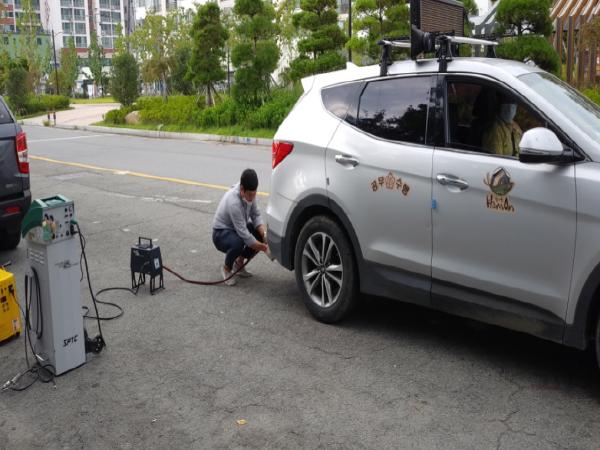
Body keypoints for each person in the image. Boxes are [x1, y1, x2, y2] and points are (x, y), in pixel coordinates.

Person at [212, 168, 270, 286]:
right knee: (238, 243)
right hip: (221, 234)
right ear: (242, 189)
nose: (252, 198)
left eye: (254, 194)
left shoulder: (250, 192)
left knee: (258, 234)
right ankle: (226, 268)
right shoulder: (233, 202)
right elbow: (244, 235)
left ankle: (239, 264)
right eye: (250, 195)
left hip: (236, 229)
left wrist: (264, 236)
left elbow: (256, 215)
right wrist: (265, 248)